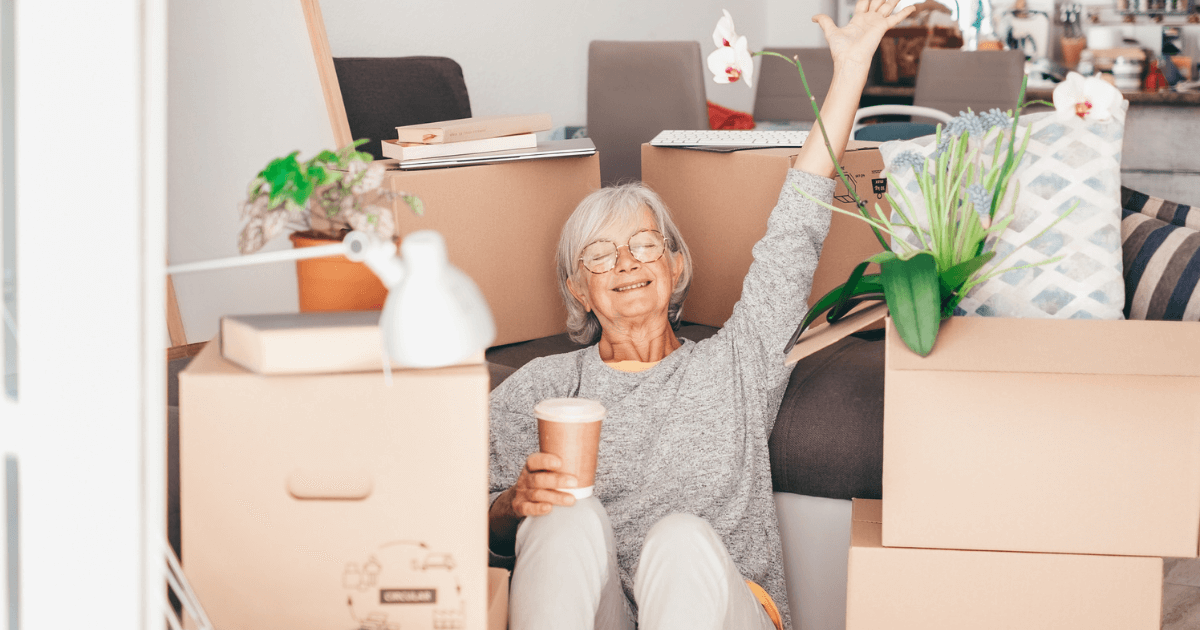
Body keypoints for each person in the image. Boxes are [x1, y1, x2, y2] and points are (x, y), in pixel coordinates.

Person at [487, 1, 914, 628]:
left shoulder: (737, 361)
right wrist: (513, 505)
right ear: (578, 290)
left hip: (724, 608)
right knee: (563, 518)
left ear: (677, 266)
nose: (626, 263)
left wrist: (850, 69)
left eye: (644, 245)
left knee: (680, 537)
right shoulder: (542, 388)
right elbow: (458, 518)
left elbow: (797, 225)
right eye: (600, 256)